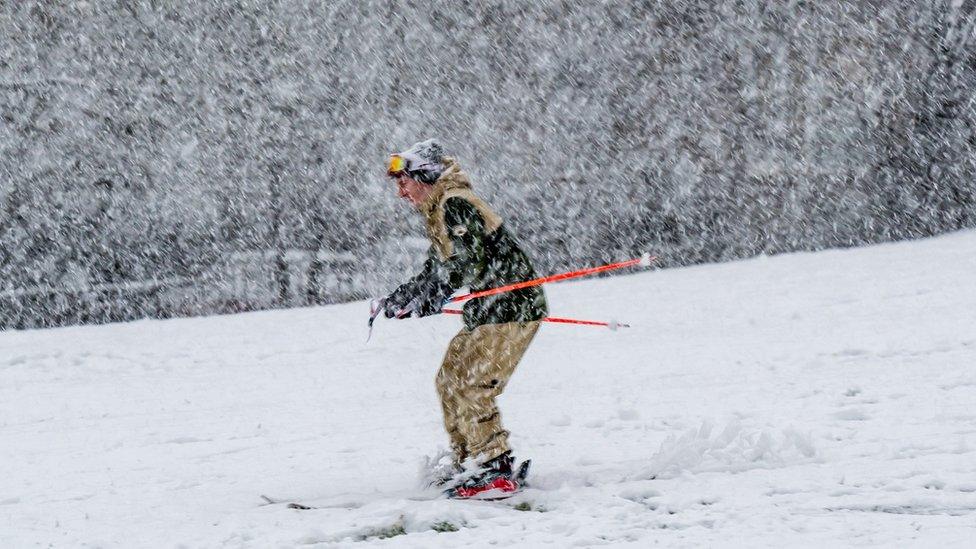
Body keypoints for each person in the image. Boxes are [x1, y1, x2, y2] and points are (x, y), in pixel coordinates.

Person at [380, 139, 548, 498]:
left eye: (403, 182)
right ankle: (469, 460)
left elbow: (466, 262)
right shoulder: (441, 209)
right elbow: (436, 268)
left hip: (511, 307)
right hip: (488, 311)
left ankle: (493, 467)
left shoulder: (457, 204)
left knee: (472, 384)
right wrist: (406, 296)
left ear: (423, 176)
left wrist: (434, 294)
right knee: (450, 379)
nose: (400, 192)